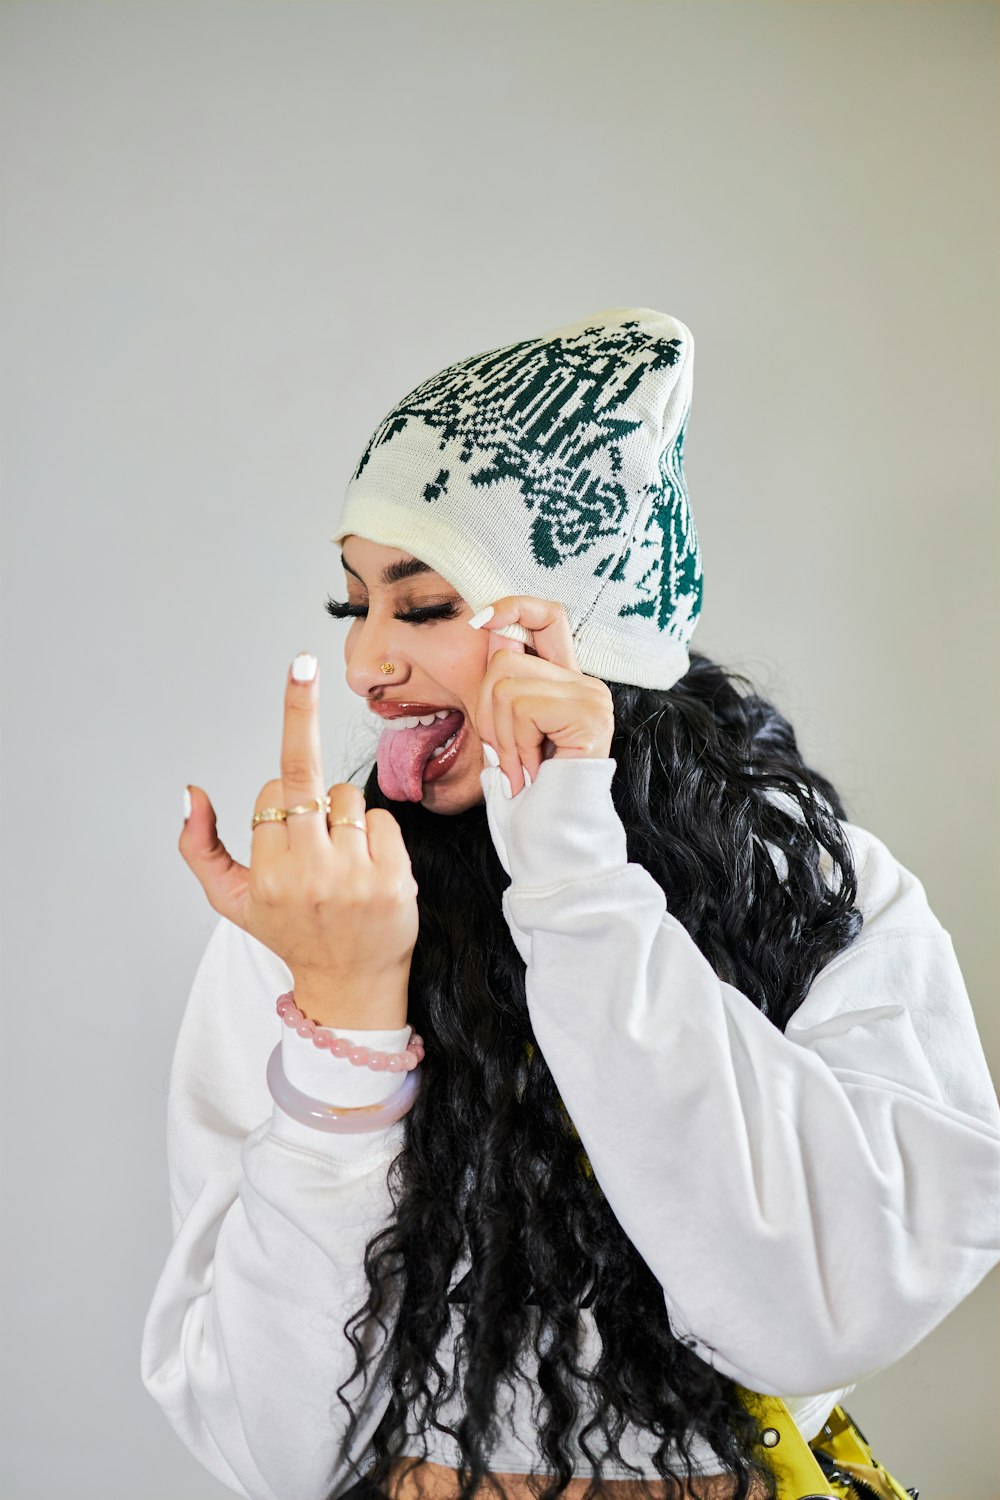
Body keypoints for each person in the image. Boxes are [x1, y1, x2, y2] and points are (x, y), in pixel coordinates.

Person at [140, 308, 1000, 1500]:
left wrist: (574, 875)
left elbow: (818, 1318)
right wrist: (344, 1027)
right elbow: (271, 1450)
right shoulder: (323, 913)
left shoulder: (809, 891)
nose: (365, 666)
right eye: (354, 606)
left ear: (575, 624)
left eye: (424, 605)